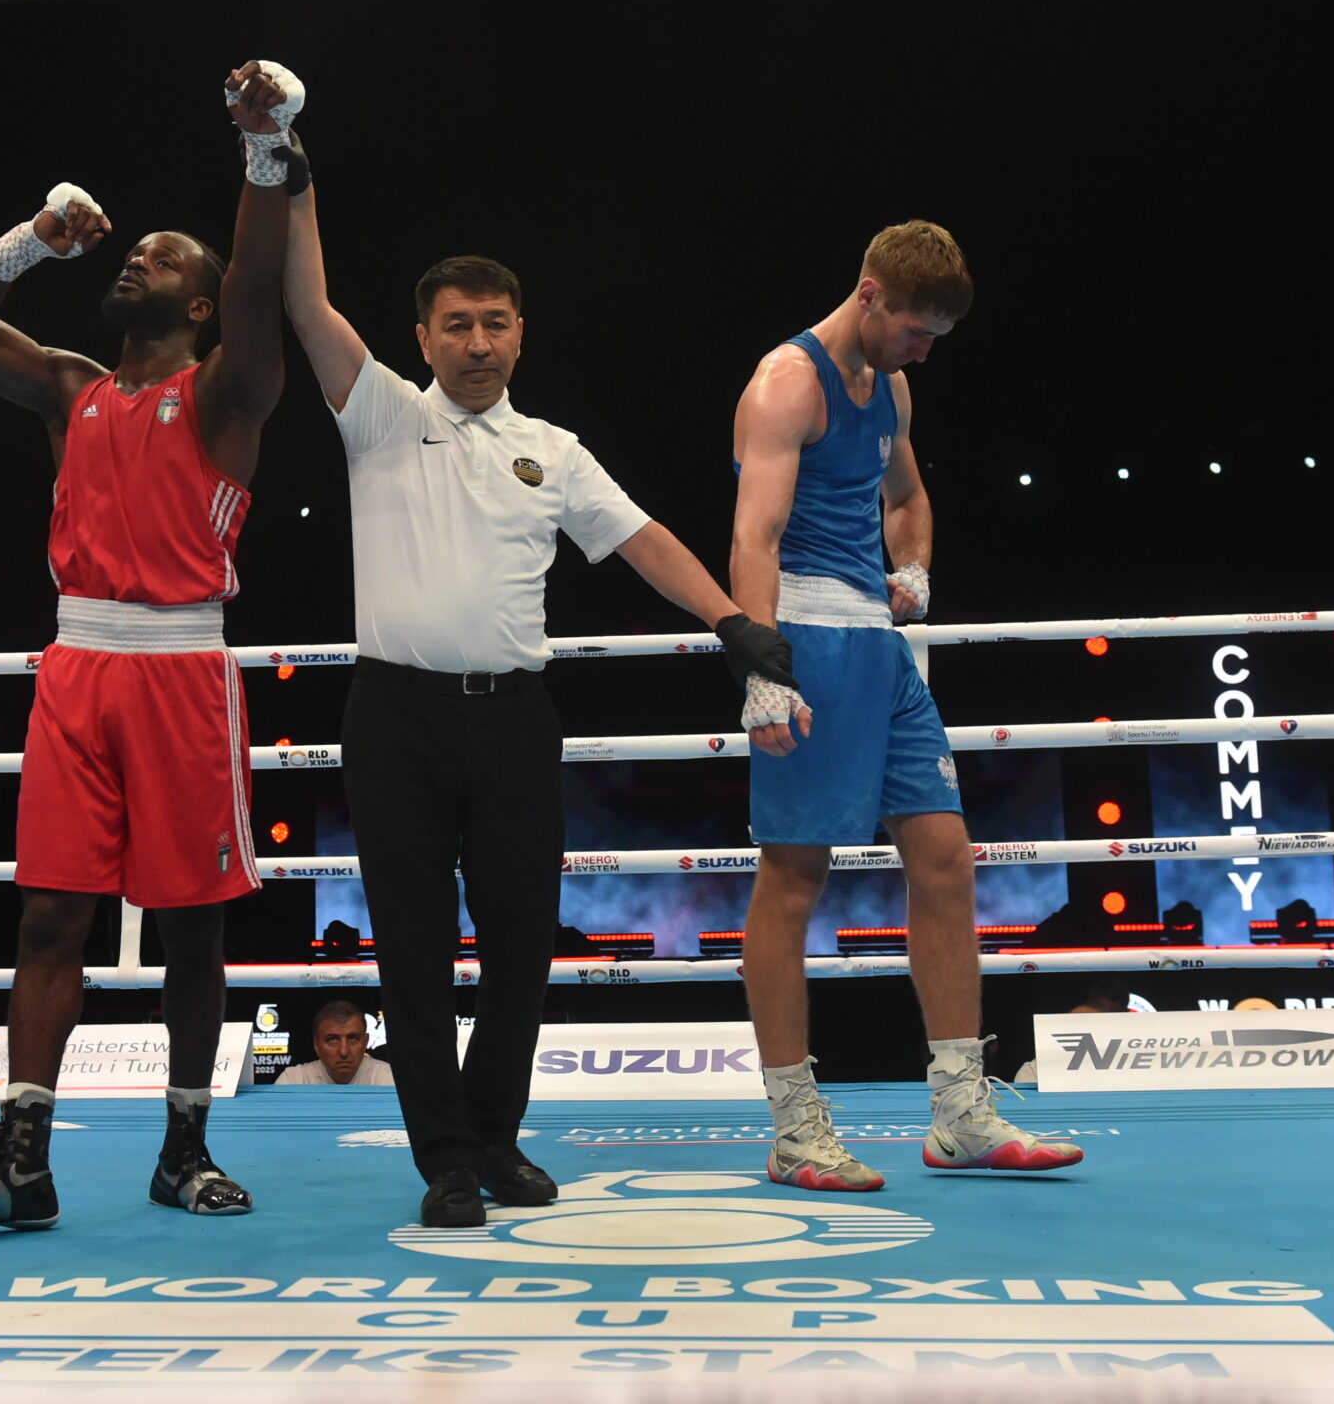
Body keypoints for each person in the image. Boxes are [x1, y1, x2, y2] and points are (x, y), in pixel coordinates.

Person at [280, 173, 795, 1228]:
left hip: (514, 718)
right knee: (413, 945)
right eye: (457, 325)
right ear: (422, 339)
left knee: (522, 941)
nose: (477, 342)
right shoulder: (381, 415)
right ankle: (444, 1163)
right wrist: (288, 177)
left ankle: (494, 1137)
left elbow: (642, 539)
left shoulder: (553, 451)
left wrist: (731, 621)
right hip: (395, 717)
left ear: (521, 334)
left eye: (495, 323)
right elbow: (305, 303)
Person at [0, 60, 303, 1229]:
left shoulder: (229, 393)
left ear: (200, 309)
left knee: (192, 928)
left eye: (164, 261)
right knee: (47, 917)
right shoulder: (70, 391)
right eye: (134, 252)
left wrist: (263, 148)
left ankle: (185, 1149)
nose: (137, 260)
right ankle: (19, 1161)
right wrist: (33, 240)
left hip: (181, 671)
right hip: (75, 669)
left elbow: (261, 283)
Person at [730, 220, 1084, 1189]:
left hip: (880, 654)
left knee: (945, 862)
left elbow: (908, 498)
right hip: (806, 639)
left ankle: (961, 1114)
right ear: (871, 293)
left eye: (936, 338)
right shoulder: (786, 383)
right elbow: (754, 537)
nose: (924, 351)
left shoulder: (890, 386)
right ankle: (794, 1127)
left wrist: (915, 568)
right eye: (917, 331)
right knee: (793, 879)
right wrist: (765, 670)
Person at [273, 1001, 396, 1085]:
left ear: (365, 1042)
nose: (344, 1052)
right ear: (316, 1045)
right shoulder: (294, 1080)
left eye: (352, 1038)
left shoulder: (388, 1078)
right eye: (333, 1040)